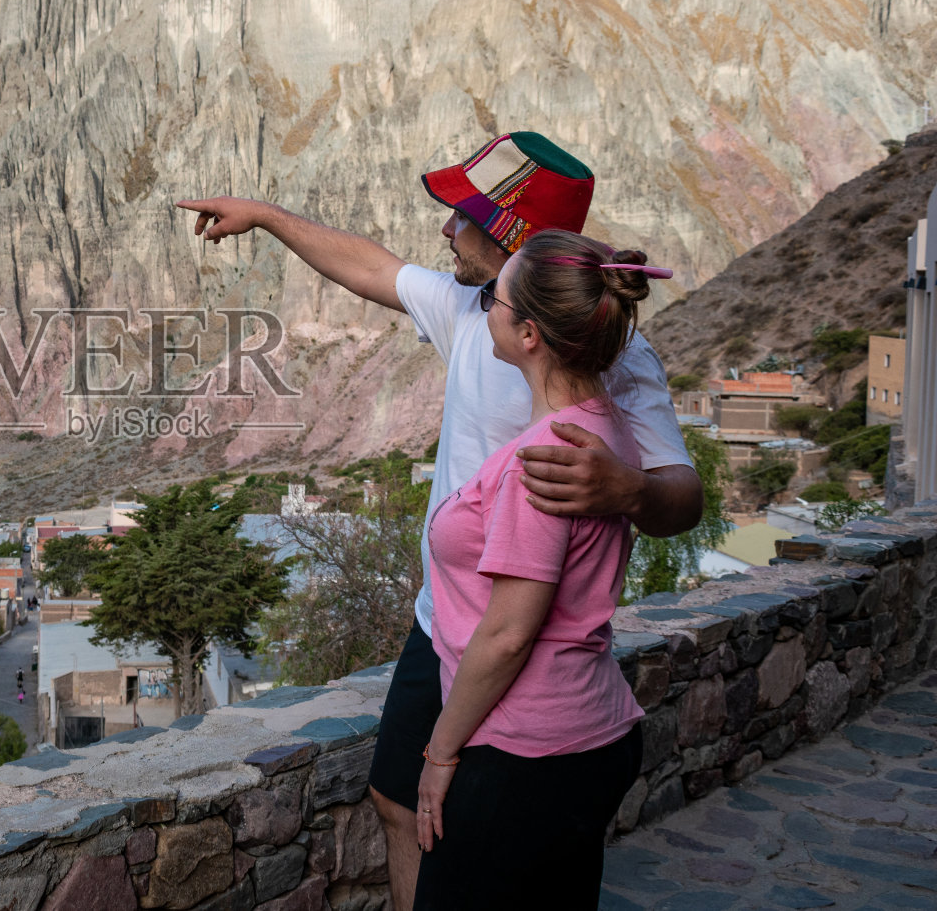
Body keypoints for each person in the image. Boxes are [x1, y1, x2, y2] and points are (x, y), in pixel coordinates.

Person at [177, 131, 701, 909]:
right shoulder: (470, 308)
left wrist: (625, 489)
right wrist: (263, 214)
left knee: (472, 831)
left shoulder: (611, 358)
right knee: (397, 798)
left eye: (461, 214)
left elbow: (681, 496)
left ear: (515, 243)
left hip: (510, 647)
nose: (445, 229)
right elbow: (368, 265)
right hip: (444, 624)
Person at [414, 230, 663, 906]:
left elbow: (507, 634)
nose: (483, 303)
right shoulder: (603, 425)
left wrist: (440, 755)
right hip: (589, 735)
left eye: (494, 296)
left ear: (527, 332)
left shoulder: (548, 459)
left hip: (523, 753)